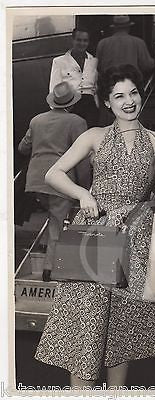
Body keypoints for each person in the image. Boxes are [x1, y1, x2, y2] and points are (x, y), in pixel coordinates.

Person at [34, 64, 155, 388]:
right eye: (119, 96)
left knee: (121, 329)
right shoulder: (94, 136)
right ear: (107, 101)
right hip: (96, 233)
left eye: (133, 93)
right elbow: (53, 173)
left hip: (137, 238)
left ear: (142, 96)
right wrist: (83, 194)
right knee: (86, 326)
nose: (128, 101)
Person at [18, 82, 91, 282]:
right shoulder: (77, 122)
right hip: (60, 180)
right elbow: (83, 157)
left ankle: (43, 244)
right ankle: (49, 270)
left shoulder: (36, 120)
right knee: (58, 223)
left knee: (53, 216)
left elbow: (23, 148)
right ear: (72, 103)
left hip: (35, 181)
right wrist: (83, 187)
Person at [49, 27, 99, 128]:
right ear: (73, 40)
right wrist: (58, 112)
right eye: (79, 40)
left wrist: (97, 107)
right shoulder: (59, 61)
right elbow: (54, 89)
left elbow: (96, 88)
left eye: (85, 40)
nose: (82, 43)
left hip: (90, 107)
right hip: (71, 105)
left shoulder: (94, 61)